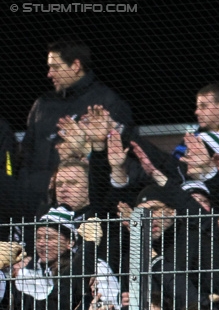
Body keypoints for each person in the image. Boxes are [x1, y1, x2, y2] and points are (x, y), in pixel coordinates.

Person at [19, 40, 133, 219]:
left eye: (56, 67)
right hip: (38, 206)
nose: (50, 74)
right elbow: (26, 156)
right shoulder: (42, 105)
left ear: (75, 66)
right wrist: (31, 187)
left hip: (86, 212)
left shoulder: (107, 102)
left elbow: (120, 159)